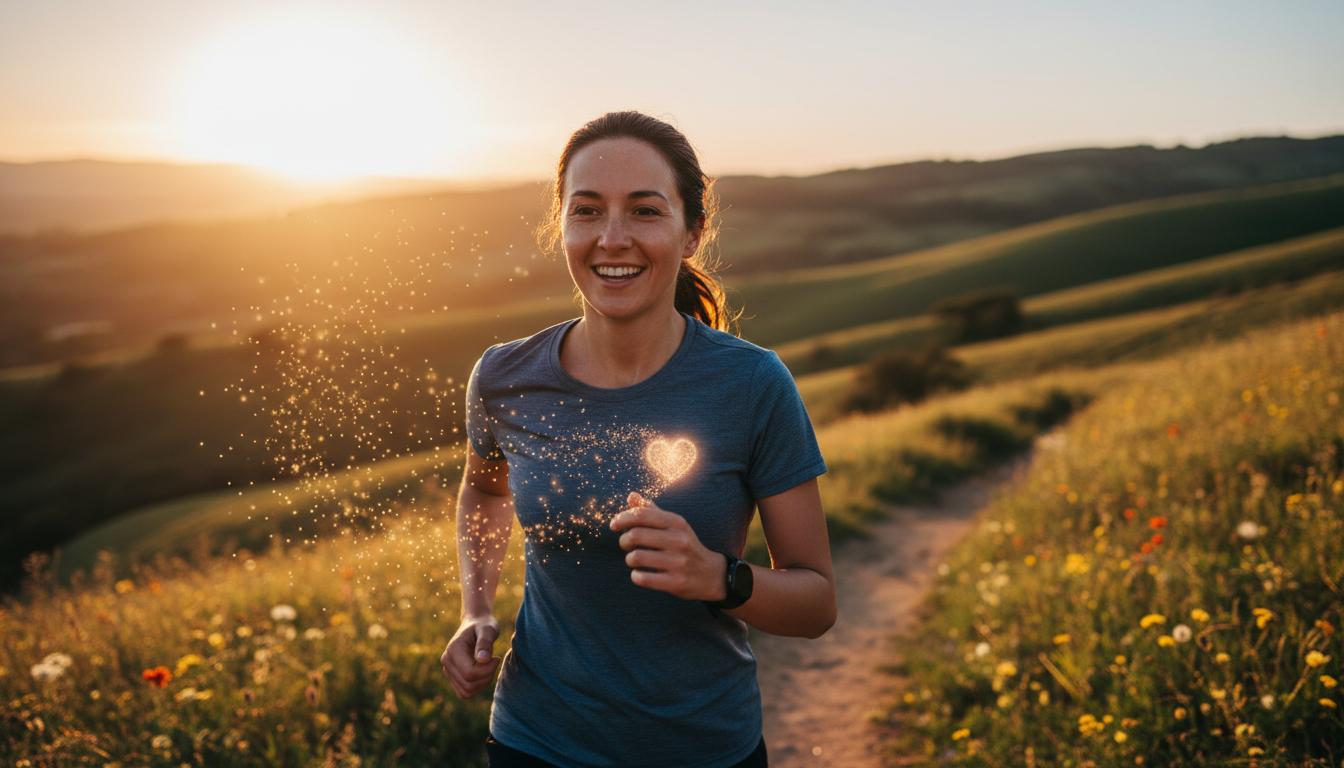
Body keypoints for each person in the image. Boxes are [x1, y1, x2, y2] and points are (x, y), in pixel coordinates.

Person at [441, 111, 836, 768]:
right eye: (587, 211)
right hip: (535, 741)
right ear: (561, 227)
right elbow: (484, 491)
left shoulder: (752, 384)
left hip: (704, 746)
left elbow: (816, 602)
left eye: (645, 212)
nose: (612, 238)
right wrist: (474, 607)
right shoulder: (504, 377)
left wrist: (719, 577)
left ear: (691, 234)